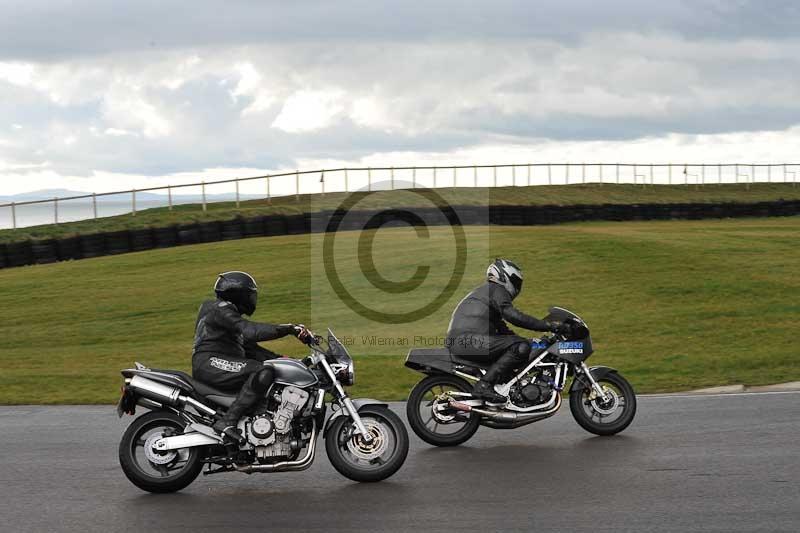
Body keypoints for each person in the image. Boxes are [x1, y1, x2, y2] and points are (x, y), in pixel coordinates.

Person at [192, 271, 309, 443]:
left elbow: (253, 350)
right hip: (209, 362)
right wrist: (289, 329)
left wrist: (291, 362)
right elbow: (252, 332)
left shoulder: (230, 320)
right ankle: (228, 421)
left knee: (269, 368)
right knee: (260, 370)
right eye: (250, 294)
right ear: (237, 293)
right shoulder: (219, 308)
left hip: (218, 362)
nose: (253, 299)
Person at [446, 259, 568, 404]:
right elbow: (513, 316)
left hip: (465, 340)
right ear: (504, 276)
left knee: (520, 346)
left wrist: (529, 342)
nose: (517, 286)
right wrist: (549, 325)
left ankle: (501, 390)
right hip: (469, 340)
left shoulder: (487, 292)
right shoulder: (497, 289)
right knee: (520, 346)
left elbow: (503, 329)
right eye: (516, 281)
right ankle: (484, 385)